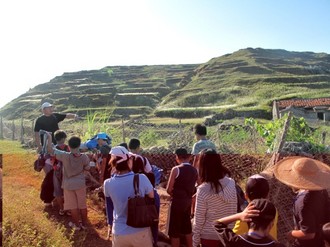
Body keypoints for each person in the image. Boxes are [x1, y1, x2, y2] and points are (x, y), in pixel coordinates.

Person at [103, 146, 154, 247]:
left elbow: (109, 205)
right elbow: (151, 197)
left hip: (119, 231)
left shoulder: (107, 183)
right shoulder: (141, 178)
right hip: (140, 230)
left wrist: (110, 223)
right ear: (128, 161)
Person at [274, 156, 330, 247]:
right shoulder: (321, 190)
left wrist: (291, 234)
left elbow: (309, 233)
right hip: (322, 240)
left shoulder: (303, 202)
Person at [192, 149, 237, 247]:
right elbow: (233, 210)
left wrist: (194, 244)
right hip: (228, 237)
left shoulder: (203, 190)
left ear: (203, 166)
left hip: (209, 238)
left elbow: (198, 221)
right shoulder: (231, 183)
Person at [46, 132, 90, 231]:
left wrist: (49, 137)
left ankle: (77, 225)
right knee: (82, 205)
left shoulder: (65, 156)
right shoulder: (84, 157)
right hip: (80, 184)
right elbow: (87, 169)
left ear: (68, 146)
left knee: (73, 206)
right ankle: (84, 224)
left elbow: (50, 150)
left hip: (68, 185)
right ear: (79, 145)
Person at [214, 198, 286, 247]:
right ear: (271, 224)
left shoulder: (235, 241)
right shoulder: (276, 245)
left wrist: (239, 215)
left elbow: (217, 224)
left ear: (248, 220)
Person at [166, 148, 198, 247]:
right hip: (188, 201)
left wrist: (173, 194)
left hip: (177, 202)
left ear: (177, 157)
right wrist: (192, 196)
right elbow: (200, 185)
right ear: (190, 157)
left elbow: (168, 189)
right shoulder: (194, 170)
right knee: (187, 227)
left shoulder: (176, 169)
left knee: (174, 230)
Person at [232, 174, 278, 240]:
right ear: (268, 194)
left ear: (246, 196)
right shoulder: (273, 210)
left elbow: (233, 237)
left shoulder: (246, 215)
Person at [131, 154, 160, 246]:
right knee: (154, 222)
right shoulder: (150, 175)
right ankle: (154, 241)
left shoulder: (131, 177)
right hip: (152, 202)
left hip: (138, 204)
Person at [52, 130, 70, 216]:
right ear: (63, 138)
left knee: (58, 190)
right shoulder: (67, 148)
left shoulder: (53, 148)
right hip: (66, 171)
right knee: (67, 190)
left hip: (56, 171)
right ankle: (68, 208)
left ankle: (62, 209)